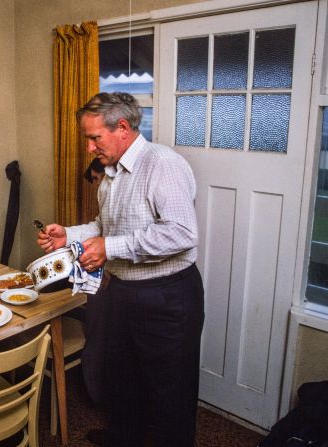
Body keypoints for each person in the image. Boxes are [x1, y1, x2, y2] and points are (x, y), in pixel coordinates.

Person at [37, 92, 204, 447]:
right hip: (124, 293)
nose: (89, 148)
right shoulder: (111, 174)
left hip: (167, 297)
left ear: (123, 128)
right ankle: (123, 437)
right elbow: (105, 226)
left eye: (94, 137)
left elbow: (182, 233)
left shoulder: (162, 165)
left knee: (170, 393)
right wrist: (70, 234)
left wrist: (109, 248)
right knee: (124, 379)